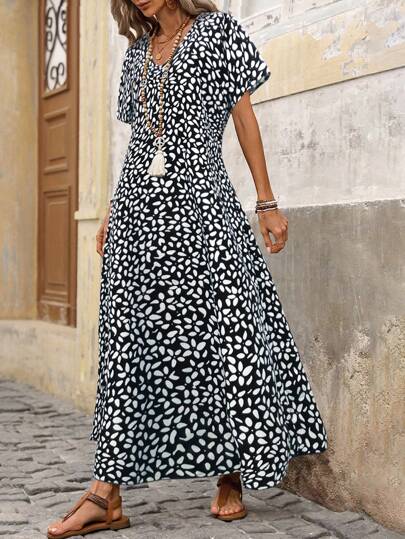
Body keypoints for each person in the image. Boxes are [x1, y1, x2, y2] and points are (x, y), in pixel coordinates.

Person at [47, 0, 328, 537]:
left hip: (203, 206)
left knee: (228, 333)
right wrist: (114, 207)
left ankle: (232, 472)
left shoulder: (217, 31)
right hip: (140, 211)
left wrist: (266, 202)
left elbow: (243, 117)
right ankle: (106, 494)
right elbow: (140, 141)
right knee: (129, 341)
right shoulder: (137, 54)